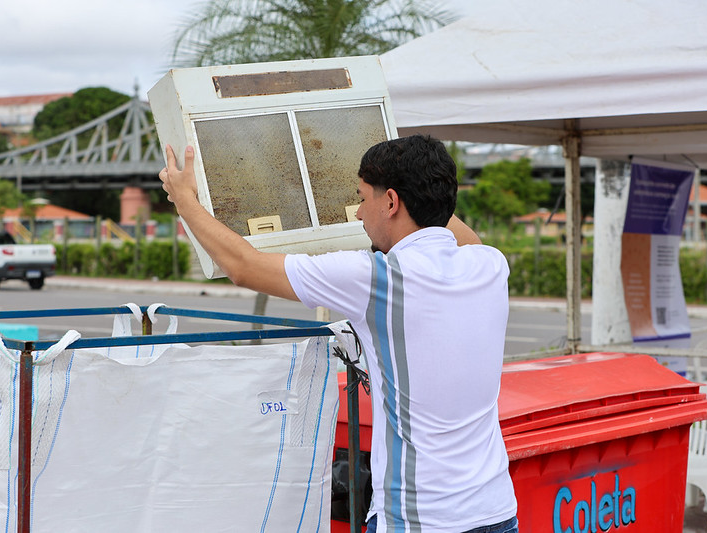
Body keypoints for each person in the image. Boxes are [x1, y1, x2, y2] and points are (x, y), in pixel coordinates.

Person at [159, 135, 518, 533]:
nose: (359, 213)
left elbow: (244, 266)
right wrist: (426, 188)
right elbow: (456, 234)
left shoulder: (376, 279)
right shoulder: (488, 265)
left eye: (363, 198)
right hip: (497, 510)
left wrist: (184, 199)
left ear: (392, 202)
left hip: (420, 520)